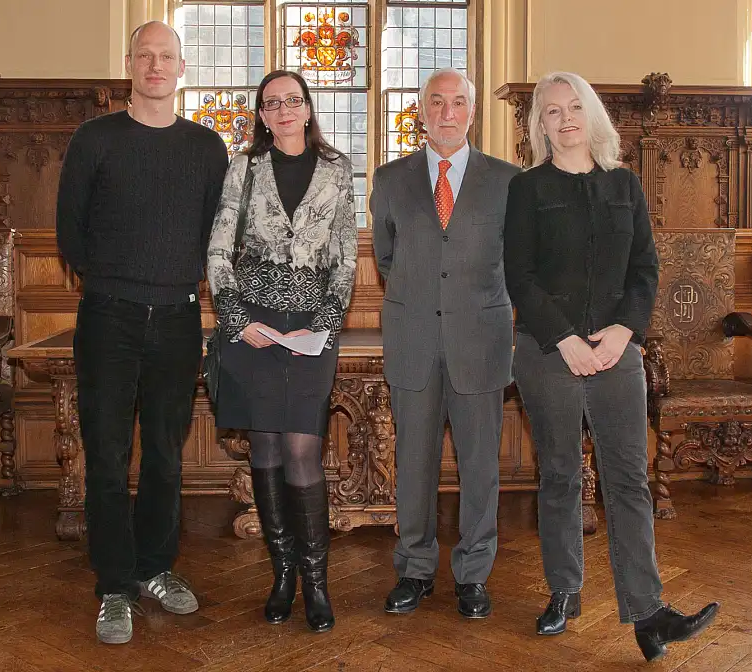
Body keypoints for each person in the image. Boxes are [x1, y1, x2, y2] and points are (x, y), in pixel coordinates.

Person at [503, 71, 720, 662]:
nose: (566, 117)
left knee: (628, 480)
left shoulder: (625, 184)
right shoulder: (526, 189)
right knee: (561, 477)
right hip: (549, 352)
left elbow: (645, 269)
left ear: (592, 116)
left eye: (576, 107)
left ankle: (649, 614)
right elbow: (519, 274)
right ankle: (564, 591)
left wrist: (624, 332)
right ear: (539, 125)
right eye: (553, 111)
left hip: (619, 351)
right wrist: (566, 340)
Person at [56, 21, 229, 645]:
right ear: (130, 64)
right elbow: (70, 230)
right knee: (106, 454)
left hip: (179, 318)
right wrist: (113, 282)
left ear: (182, 68)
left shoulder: (208, 148)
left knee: (162, 453)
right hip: (109, 317)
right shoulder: (93, 138)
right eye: (145, 55)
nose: (155, 65)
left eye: (167, 56)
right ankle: (112, 585)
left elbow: (217, 236)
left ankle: (156, 566)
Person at [207, 70, 357, 633]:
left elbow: (344, 257)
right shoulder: (242, 169)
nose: (285, 110)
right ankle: (282, 577)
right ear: (263, 115)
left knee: (302, 447)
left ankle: (317, 583)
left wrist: (324, 320)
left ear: (307, 107)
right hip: (253, 328)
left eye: (294, 100)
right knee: (265, 447)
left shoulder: (338, 170)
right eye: (273, 104)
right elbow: (219, 251)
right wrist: (237, 319)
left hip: (312, 329)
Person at [371, 68, 520, 619]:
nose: (448, 112)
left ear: (473, 113)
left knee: (481, 465)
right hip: (412, 339)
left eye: (459, 102)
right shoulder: (390, 181)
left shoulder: (507, 181)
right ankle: (414, 569)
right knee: (413, 463)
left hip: (480, 340)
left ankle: (474, 575)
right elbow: (387, 258)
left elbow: (514, 261)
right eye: (437, 102)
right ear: (422, 112)